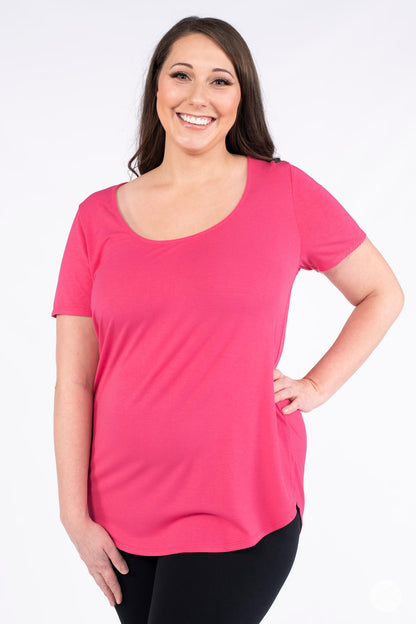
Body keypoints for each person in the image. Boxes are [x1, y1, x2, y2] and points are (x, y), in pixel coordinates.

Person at [51, 15, 404, 624]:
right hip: (122, 512)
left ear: (241, 98)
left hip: (241, 502)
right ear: (156, 88)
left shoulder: (284, 191)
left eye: (220, 81)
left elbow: (381, 292)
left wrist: (316, 385)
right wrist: (73, 516)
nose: (198, 96)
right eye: (181, 75)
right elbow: (74, 381)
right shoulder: (95, 218)